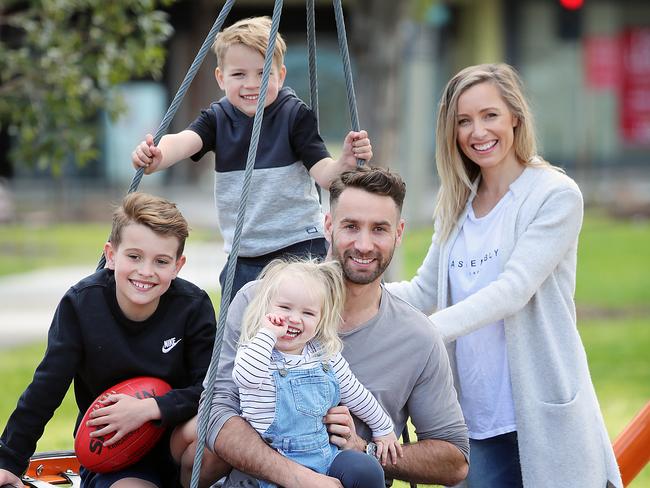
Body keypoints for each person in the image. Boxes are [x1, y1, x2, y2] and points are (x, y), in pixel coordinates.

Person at [385, 63, 622, 488]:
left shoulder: (553, 195)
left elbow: (512, 291)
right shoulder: (456, 202)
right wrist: (347, 296)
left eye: (489, 115)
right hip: (471, 423)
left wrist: (426, 333)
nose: (478, 131)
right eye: (464, 121)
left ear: (515, 115)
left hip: (538, 416)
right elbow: (423, 291)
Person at [202, 167, 469, 488]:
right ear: (328, 226)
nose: (364, 244)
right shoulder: (258, 301)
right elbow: (216, 411)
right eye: (351, 226)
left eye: (379, 229)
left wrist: (366, 449)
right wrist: (299, 479)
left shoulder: (417, 337)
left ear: (399, 233)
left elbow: (454, 460)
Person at [131, 16, 373, 300]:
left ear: (281, 76)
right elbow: (183, 141)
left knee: (302, 320)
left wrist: (345, 161)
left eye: (263, 74)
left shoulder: (294, 115)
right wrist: (157, 155)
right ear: (221, 78)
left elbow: (326, 176)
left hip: (298, 246)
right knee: (238, 329)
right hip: (244, 253)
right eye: (239, 75)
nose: (251, 84)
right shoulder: (218, 118)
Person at [0, 193, 217, 488]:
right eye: (134, 256)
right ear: (112, 255)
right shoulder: (82, 304)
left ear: (178, 266)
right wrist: (9, 460)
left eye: (161, 261)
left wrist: (148, 409)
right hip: (115, 452)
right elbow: (46, 388)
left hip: (177, 442)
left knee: (215, 434)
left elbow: (208, 390)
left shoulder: (193, 306)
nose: (146, 271)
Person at [234, 258, 402, 488]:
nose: (294, 318)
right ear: (266, 308)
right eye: (284, 307)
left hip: (324, 456)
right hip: (273, 465)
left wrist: (383, 428)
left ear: (320, 320)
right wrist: (267, 334)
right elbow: (246, 379)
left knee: (366, 469)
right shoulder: (256, 350)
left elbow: (355, 392)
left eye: (308, 313)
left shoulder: (324, 355)